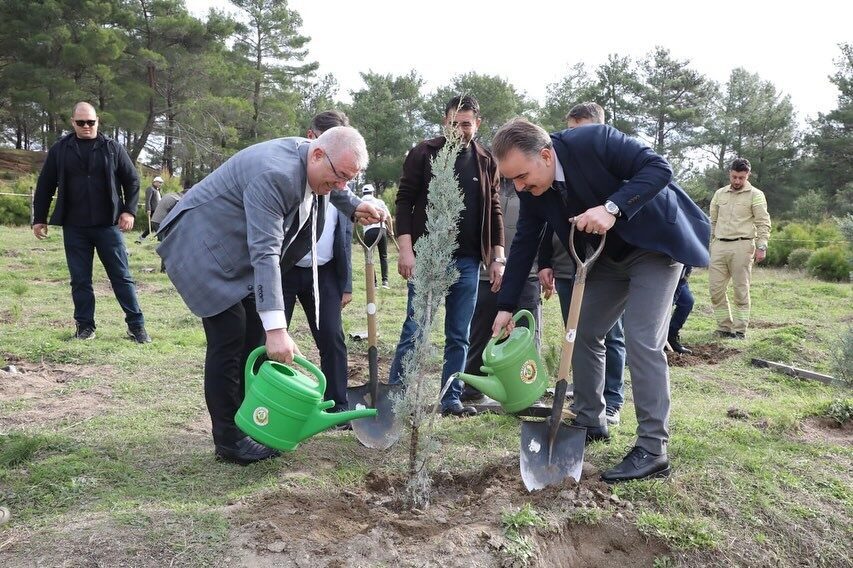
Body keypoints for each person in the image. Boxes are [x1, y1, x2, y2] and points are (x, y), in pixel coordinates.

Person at [490, 118, 709, 483]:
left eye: (521, 176)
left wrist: (611, 207)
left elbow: (658, 168)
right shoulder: (533, 191)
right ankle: (591, 419)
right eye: (510, 180)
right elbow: (525, 241)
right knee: (582, 331)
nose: (518, 187)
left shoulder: (594, 141)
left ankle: (653, 449)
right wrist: (506, 306)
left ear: (545, 155)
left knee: (642, 340)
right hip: (607, 258)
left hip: (655, 246)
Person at [157, 126, 383, 465]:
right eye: (339, 177)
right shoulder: (274, 175)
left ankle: (248, 423)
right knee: (229, 339)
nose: (340, 186)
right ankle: (229, 440)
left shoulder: (317, 157)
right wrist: (277, 330)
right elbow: (265, 252)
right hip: (203, 246)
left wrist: (353, 205)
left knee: (250, 336)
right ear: (318, 154)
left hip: (235, 250)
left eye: (348, 181)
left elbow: (330, 184)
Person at [389, 95, 504, 417]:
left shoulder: (486, 161)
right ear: (445, 122)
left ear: (477, 124)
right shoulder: (424, 153)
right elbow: (404, 201)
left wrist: (498, 257)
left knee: (459, 334)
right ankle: (396, 394)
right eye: (454, 123)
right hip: (426, 257)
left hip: (467, 261)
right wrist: (406, 249)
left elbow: (494, 210)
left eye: (466, 124)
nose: (459, 130)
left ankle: (450, 398)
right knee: (415, 330)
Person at [32, 101, 150, 344]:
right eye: (81, 122)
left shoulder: (112, 148)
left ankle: (136, 326)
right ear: (73, 123)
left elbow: (132, 181)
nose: (86, 126)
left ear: (98, 122)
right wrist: (39, 218)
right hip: (74, 227)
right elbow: (45, 185)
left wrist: (128, 211)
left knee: (121, 276)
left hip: (108, 226)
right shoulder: (60, 150)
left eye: (91, 122)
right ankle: (85, 327)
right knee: (80, 280)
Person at [538, 102, 626, 425]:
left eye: (582, 133)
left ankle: (612, 398)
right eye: (569, 132)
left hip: (603, 264)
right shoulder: (557, 175)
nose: (573, 142)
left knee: (609, 333)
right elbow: (546, 222)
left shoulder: (605, 170)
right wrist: (544, 260)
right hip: (567, 265)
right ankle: (589, 397)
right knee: (576, 331)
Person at [281, 111, 355, 419]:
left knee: (332, 338)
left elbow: (345, 236)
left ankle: (336, 404)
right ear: (314, 139)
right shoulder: (289, 174)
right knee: (271, 338)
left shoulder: (342, 183)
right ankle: (277, 401)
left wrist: (346, 282)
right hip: (284, 268)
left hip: (323, 273)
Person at [461, 177, 540, 403]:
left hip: (528, 272)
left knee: (525, 335)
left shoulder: (534, 186)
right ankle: (471, 390)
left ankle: (527, 393)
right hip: (489, 272)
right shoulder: (487, 186)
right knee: (481, 332)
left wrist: (545, 264)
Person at [709, 158, 771, 339]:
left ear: (748, 175)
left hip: (742, 246)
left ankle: (739, 330)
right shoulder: (719, 194)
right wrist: (709, 245)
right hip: (719, 245)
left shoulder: (756, 195)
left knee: (740, 291)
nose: (737, 181)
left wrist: (761, 246)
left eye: (741, 178)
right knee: (715, 291)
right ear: (730, 173)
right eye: (734, 177)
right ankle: (723, 327)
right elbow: (712, 222)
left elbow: (763, 222)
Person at [360, 183, 392, 288]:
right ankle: (385, 282)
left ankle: (373, 283)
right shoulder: (379, 202)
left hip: (368, 231)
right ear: (373, 192)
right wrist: (391, 231)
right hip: (381, 230)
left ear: (363, 192)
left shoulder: (359, 201)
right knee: (383, 256)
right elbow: (388, 217)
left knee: (369, 257)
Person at [668, 266, 695, 354]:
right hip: (657, 271)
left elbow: (682, 281)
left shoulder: (689, 259)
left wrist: (670, 303)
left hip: (678, 274)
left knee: (687, 302)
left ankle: (671, 337)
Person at [137, 176, 163, 242]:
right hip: (152, 210)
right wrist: (148, 209)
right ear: (155, 182)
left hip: (158, 210)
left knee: (152, 225)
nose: (160, 184)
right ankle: (160, 239)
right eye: (159, 182)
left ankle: (142, 237)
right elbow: (147, 200)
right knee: (155, 224)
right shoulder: (150, 189)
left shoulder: (157, 190)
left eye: (161, 183)